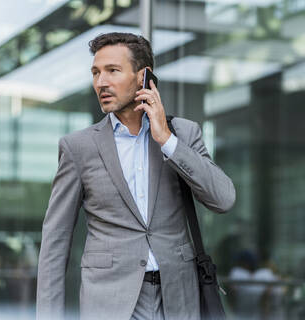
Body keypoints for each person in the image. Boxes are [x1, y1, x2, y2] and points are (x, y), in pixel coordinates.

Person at [36, 32, 236, 320]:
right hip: (110, 302)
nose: (101, 82)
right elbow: (55, 240)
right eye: (95, 73)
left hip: (178, 299)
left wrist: (167, 140)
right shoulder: (78, 147)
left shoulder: (184, 134)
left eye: (112, 71)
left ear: (144, 77)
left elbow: (224, 199)